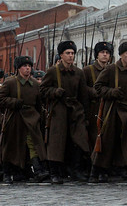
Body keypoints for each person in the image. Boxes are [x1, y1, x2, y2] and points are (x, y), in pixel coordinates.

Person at [40, 41, 95, 184]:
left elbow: (83, 95)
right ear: (61, 55)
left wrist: (86, 115)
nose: (71, 56)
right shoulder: (53, 71)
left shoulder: (78, 72)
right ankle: (55, 173)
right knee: (56, 143)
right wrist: (54, 92)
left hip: (75, 110)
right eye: (68, 53)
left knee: (78, 141)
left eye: (72, 53)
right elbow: (42, 91)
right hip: (59, 110)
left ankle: (75, 170)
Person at [91, 42, 127, 183]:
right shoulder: (111, 69)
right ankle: (99, 170)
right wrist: (111, 92)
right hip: (112, 110)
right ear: (121, 55)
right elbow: (98, 87)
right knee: (107, 141)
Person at [0, 56, 50, 183]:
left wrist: (39, 117)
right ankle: (8, 173)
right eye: (24, 66)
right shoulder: (10, 82)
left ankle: (38, 170)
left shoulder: (35, 84)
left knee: (34, 144)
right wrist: (14, 102)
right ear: (18, 68)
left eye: (29, 66)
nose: (27, 68)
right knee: (12, 146)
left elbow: (39, 103)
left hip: (31, 118)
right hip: (15, 118)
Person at [83, 41, 113, 158]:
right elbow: (82, 88)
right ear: (97, 55)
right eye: (102, 52)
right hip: (93, 107)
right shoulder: (87, 70)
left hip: (108, 107)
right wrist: (94, 92)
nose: (105, 55)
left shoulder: (112, 69)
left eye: (107, 52)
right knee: (94, 137)